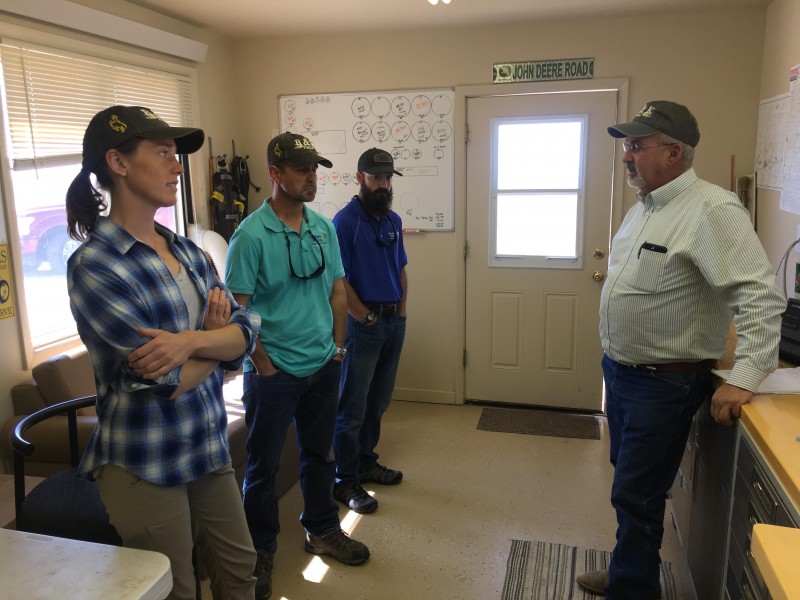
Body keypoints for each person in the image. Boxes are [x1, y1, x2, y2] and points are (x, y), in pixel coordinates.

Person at [576, 100, 785, 599]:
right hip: (624, 374)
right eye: (626, 146)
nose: (627, 156)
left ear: (673, 152)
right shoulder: (644, 209)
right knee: (631, 486)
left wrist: (745, 376)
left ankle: (632, 588)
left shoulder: (712, 210)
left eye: (636, 146)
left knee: (638, 493)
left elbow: (759, 296)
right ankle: (631, 569)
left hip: (663, 382)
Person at [66, 105, 261, 600]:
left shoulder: (190, 250)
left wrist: (190, 342)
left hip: (205, 443)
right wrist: (217, 346)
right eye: (164, 153)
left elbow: (246, 330)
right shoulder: (95, 266)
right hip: (142, 460)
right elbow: (161, 384)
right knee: (174, 589)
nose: (178, 166)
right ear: (119, 162)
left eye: (177, 155)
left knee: (241, 571)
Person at [225, 132, 370, 600]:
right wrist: (263, 365)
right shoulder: (249, 236)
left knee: (319, 454)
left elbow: (336, 291)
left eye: (315, 169)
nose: (312, 177)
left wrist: (338, 349)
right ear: (275, 174)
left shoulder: (322, 228)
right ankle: (261, 549)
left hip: (322, 365)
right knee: (263, 469)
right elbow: (238, 312)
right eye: (302, 169)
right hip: (273, 374)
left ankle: (322, 529)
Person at [331, 148, 408, 514]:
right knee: (353, 407)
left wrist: (402, 312)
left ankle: (366, 462)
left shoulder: (392, 220)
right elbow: (339, 279)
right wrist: (363, 317)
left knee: (378, 401)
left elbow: (401, 269)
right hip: (364, 326)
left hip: (393, 322)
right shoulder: (345, 222)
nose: (383, 184)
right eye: (377, 177)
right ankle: (344, 479)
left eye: (388, 178)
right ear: (360, 177)